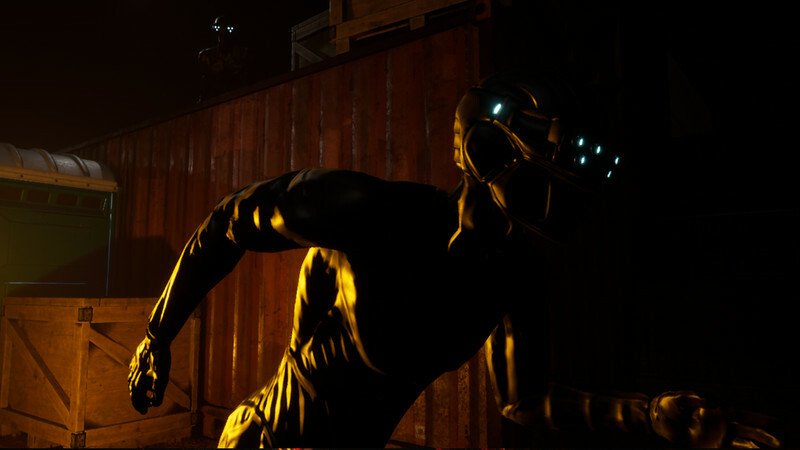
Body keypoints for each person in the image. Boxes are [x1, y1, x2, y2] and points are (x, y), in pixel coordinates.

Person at [127, 72, 781, 448]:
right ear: (490, 152)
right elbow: (231, 222)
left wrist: (648, 415)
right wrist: (157, 333)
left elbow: (524, 403)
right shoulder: (376, 213)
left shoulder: (514, 276)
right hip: (265, 438)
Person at [197, 15, 250, 103]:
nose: (223, 33)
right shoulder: (206, 55)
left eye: (227, 29)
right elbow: (206, 78)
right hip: (215, 99)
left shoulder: (242, 53)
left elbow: (245, 78)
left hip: (237, 96)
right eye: (219, 28)